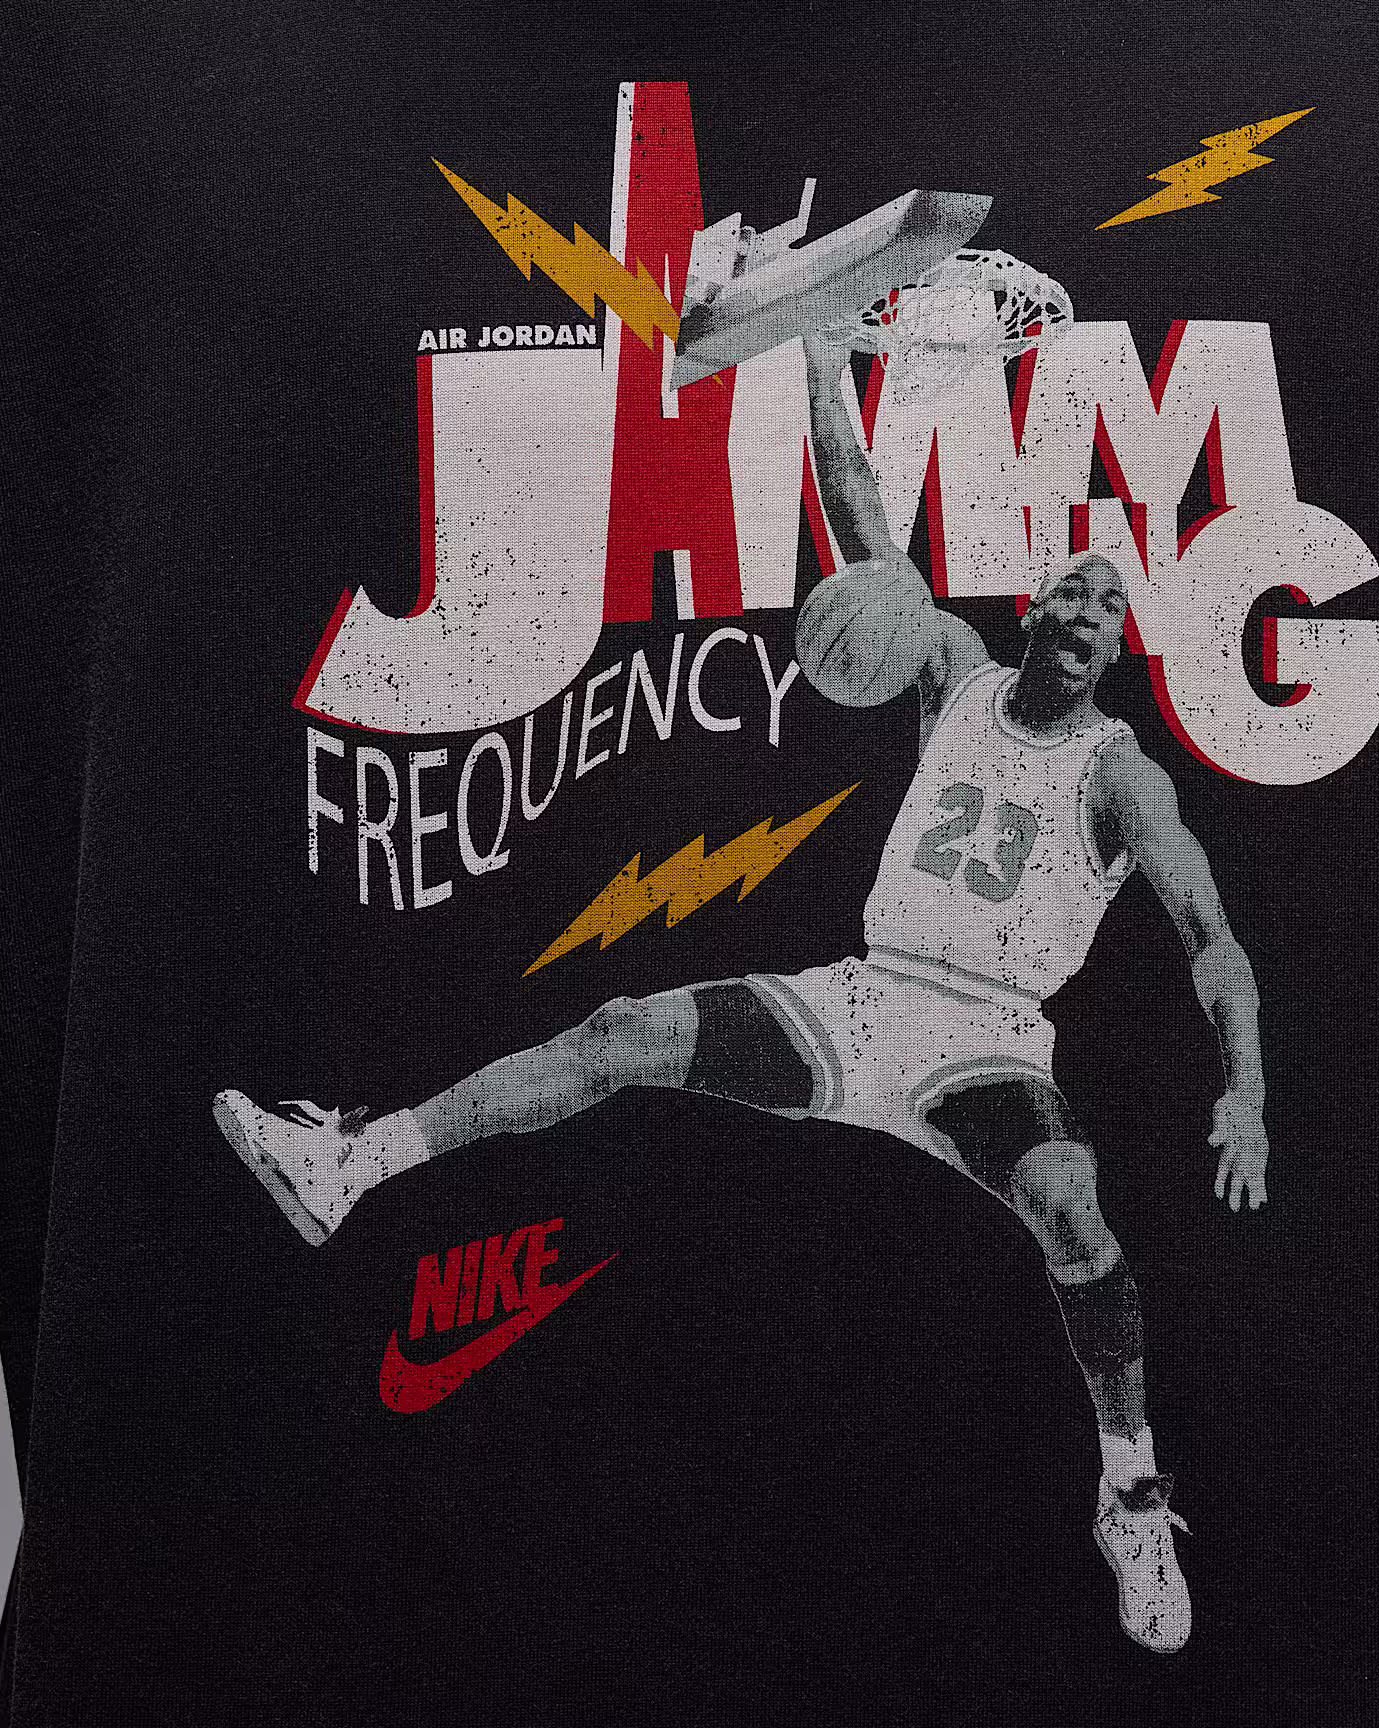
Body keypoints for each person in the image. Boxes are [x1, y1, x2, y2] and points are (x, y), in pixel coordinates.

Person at [211, 331, 1270, 1655]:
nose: (1088, 607)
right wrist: (818, 338)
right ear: (1034, 610)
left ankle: (1129, 1491)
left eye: (1110, 604)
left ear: (1118, 648)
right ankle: (353, 1162)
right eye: (1071, 589)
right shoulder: (951, 669)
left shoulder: (1121, 776)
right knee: (619, 1034)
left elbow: (1213, 940)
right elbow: (859, 511)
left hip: (989, 1039)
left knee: (1068, 1203)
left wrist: (1246, 1093)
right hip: (867, 999)